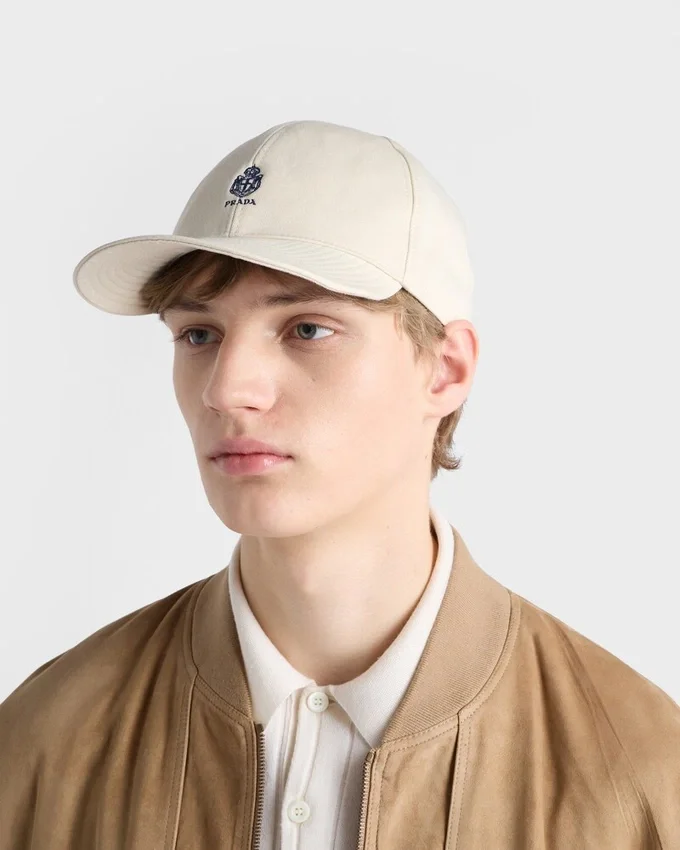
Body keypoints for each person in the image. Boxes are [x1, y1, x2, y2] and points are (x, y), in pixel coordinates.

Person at [1, 119, 678, 850]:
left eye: (307, 329)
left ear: (445, 369)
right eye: (199, 335)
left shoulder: (641, 777)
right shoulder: (44, 741)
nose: (226, 390)